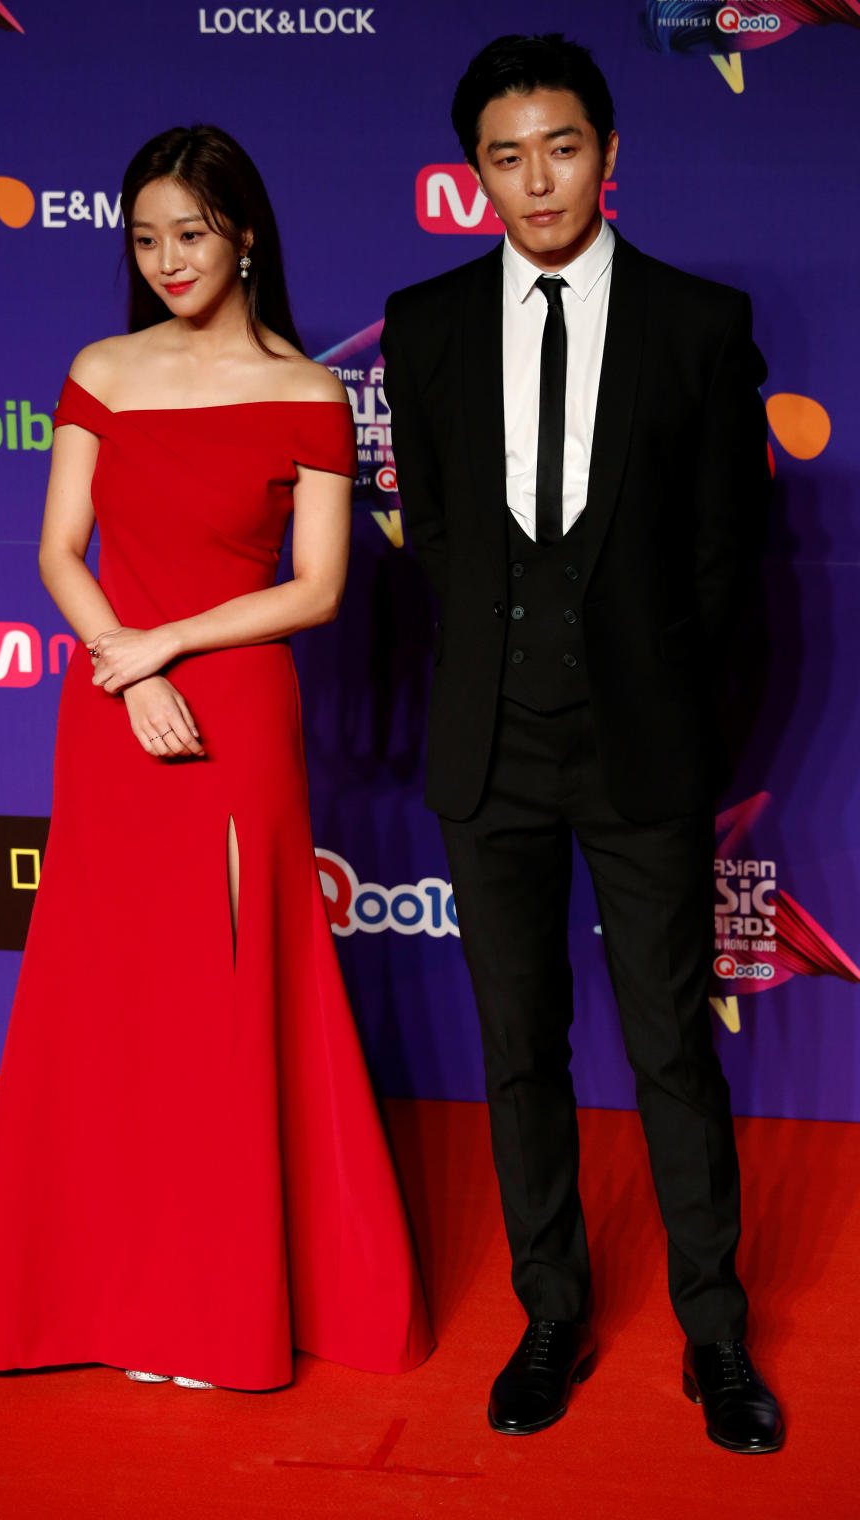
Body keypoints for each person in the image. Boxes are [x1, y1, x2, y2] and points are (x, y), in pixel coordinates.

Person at [0, 124, 432, 1393]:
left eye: (193, 234)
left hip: (236, 710)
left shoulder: (310, 391)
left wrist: (169, 644)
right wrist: (128, 656)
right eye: (148, 237)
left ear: (247, 236)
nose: (169, 259)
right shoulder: (102, 368)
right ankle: (101, 1289)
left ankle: (221, 1302)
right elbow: (61, 551)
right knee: (113, 995)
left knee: (226, 994)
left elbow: (320, 586)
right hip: (114, 701)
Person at [381, 34, 783, 1451]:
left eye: (560, 145)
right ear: (474, 170)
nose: (536, 177)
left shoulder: (698, 323)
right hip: (489, 754)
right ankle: (552, 1312)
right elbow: (431, 537)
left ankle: (715, 1334)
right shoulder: (421, 328)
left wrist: (686, 733)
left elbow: (738, 565)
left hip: (646, 759)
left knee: (674, 1047)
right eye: (506, 153)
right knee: (518, 1048)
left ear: (609, 156)